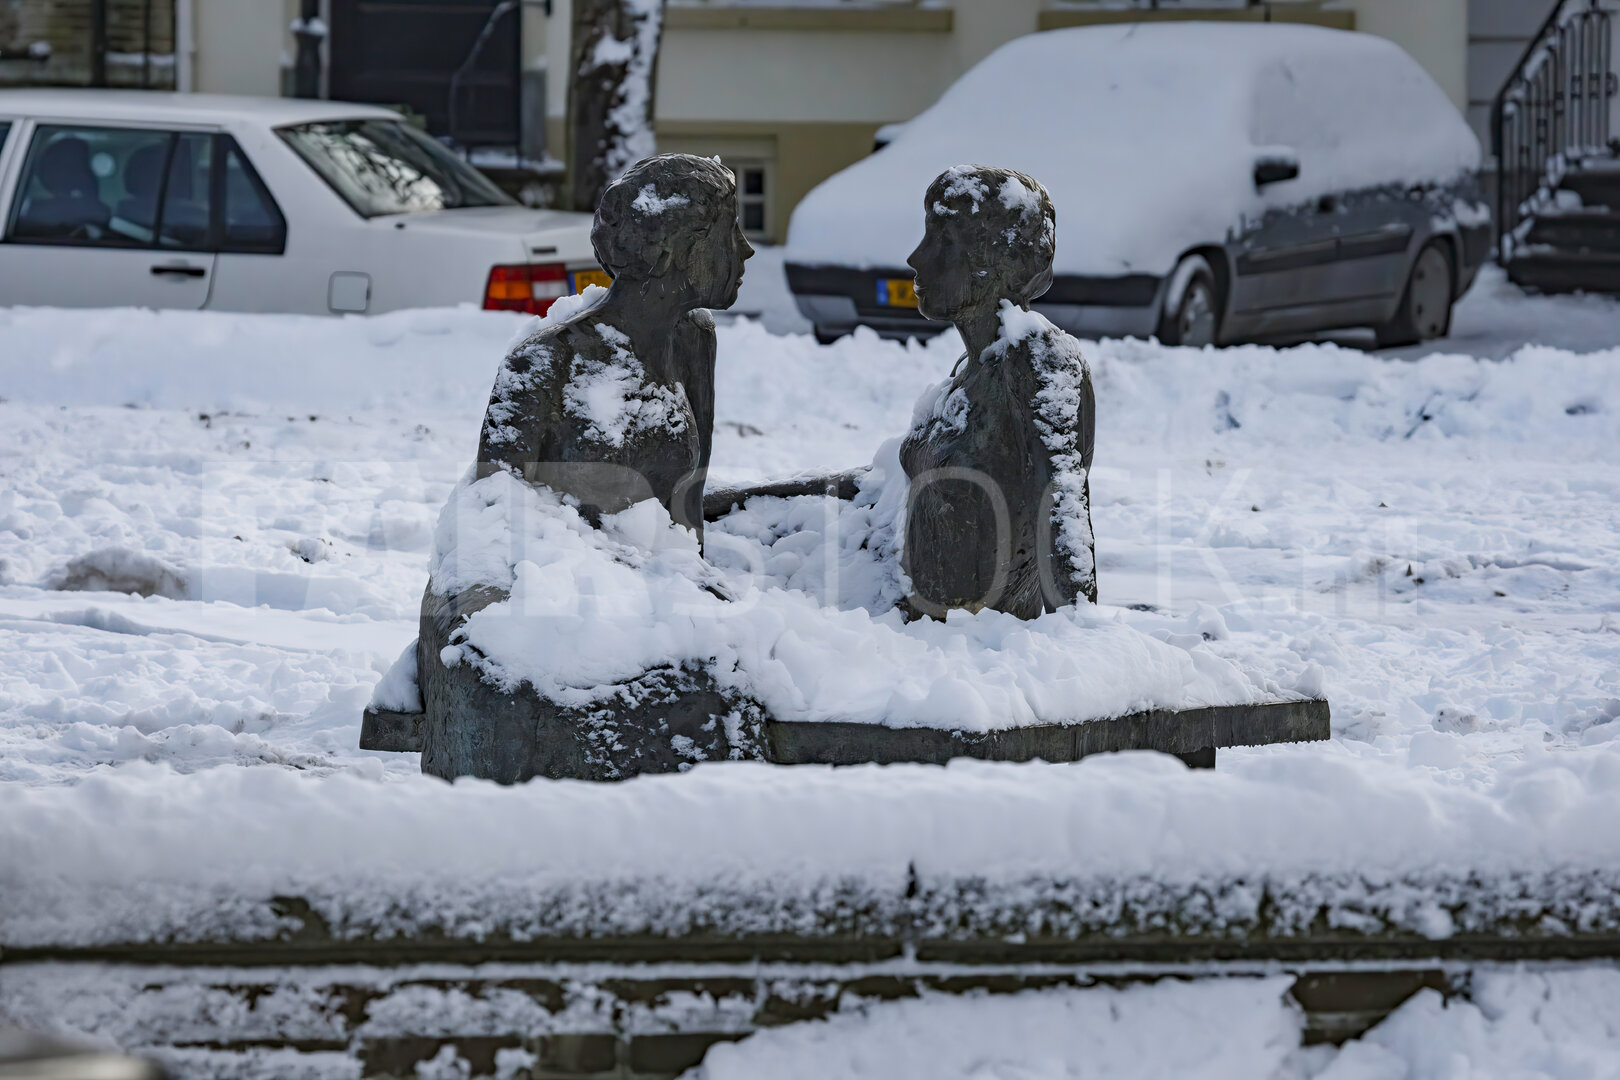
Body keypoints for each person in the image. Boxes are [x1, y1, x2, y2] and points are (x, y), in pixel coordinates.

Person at [477, 153, 752, 548]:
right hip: (571, 592)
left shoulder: (693, 337)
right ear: (673, 245)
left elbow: (686, 511)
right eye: (728, 231)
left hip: (662, 594)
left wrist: (693, 585)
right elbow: (490, 520)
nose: (744, 249)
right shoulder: (543, 362)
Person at [899, 165, 1098, 619]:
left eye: (942, 240)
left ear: (994, 257)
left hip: (984, 656)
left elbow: (1063, 507)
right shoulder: (968, 372)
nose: (916, 258)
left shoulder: (1038, 359)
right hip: (926, 641)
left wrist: (1079, 642)